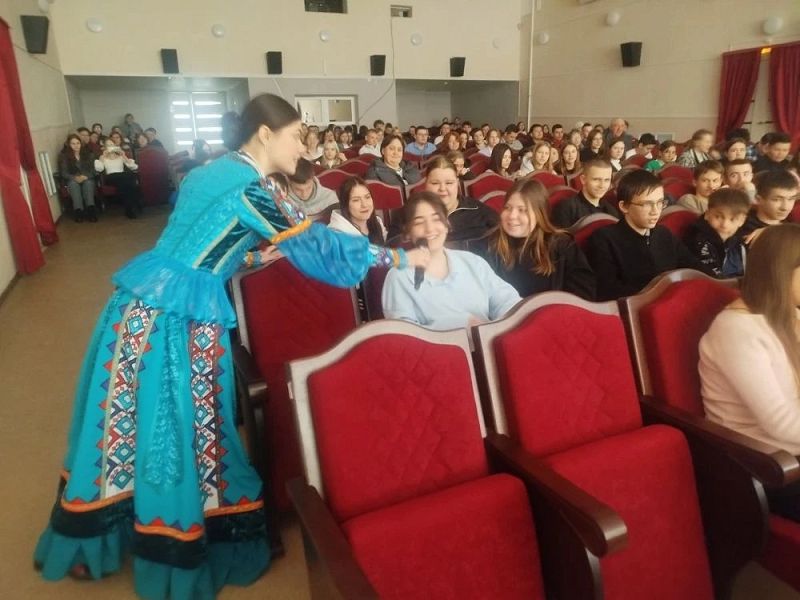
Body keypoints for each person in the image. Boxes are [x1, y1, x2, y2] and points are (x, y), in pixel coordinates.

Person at [34, 93, 429, 598]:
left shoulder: (211, 172)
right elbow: (322, 249)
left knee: (131, 428)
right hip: (178, 322)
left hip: (136, 309)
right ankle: (176, 542)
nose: (303, 146)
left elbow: (198, 242)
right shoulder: (253, 188)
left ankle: (112, 531)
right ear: (265, 134)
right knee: (184, 428)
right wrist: (401, 259)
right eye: (296, 136)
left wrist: (252, 257)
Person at [699, 223, 800, 521]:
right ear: (781, 273)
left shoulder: (788, 314)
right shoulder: (737, 330)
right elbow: (781, 423)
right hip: (767, 466)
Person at [382, 191, 520, 330]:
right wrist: (461, 323)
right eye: (419, 222)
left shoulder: (473, 262)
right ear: (407, 232)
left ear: (447, 224)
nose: (430, 228)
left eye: (436, 219)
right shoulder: (398, 277)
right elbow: (404, 335)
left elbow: (508, 302)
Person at [586, 169, 702, 300]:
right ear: (624, 206)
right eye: (647, 204)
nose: (655, 211)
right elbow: (608, 290)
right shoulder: (604, 239)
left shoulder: (663, 233)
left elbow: (694, 266)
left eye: (660, 202)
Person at [472, 179, 595, 299]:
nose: (512, 216)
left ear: (539, 214)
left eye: (522, 210)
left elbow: (582, 295)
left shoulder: (563, 246)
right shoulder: (487, 246)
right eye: (507, 208)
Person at [685, 188, 749, 278]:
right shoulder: (698, 239)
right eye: (718, 217)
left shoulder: (742, 240)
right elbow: (711, 277)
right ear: (707, 214)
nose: (725, 225)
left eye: (732, 219)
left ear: (742, 221)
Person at [551, 159, 618, 228]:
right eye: (596, 179)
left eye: (607, 180)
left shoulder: (611, 210)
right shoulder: (566, 208)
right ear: (583, 180)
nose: (602, 185)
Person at [739, 170, 799, 239]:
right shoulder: (742, 228)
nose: (785, 207)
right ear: (758, 199)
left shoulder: (793, 227)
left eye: (791, 199)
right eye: (777, 200)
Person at [328, 175, 386, 242]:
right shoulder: (337, 234)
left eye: (367, 197)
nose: (364, 205)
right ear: (345, 204)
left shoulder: (377, 223)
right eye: (356, 200)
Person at [95, 139, 140, 218]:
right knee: (129, 177)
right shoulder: (102, 157)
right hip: (110, 177)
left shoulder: (120, 156)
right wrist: (103, 157)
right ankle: (136, 203)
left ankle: (129, 209)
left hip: (122, 177)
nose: (110, 147)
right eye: (108, 145)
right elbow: (99, 169)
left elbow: (134, 167)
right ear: (105, 147)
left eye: (112, 145)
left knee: (126, 181)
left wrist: (124, 156)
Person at [58, 134, 97, 223]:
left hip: (87, 177)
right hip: (73, 179)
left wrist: (86, 176)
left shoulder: (89, 154)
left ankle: (91, 210)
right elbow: (64, 173)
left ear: (81, 143)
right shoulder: (64, 156)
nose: (76, 146)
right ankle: (79, 211)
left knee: (88, 183)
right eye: (73, 143)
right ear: (69, 145)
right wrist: (75, 177)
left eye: (78, 143)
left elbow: (94, 170)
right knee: (73, 185)